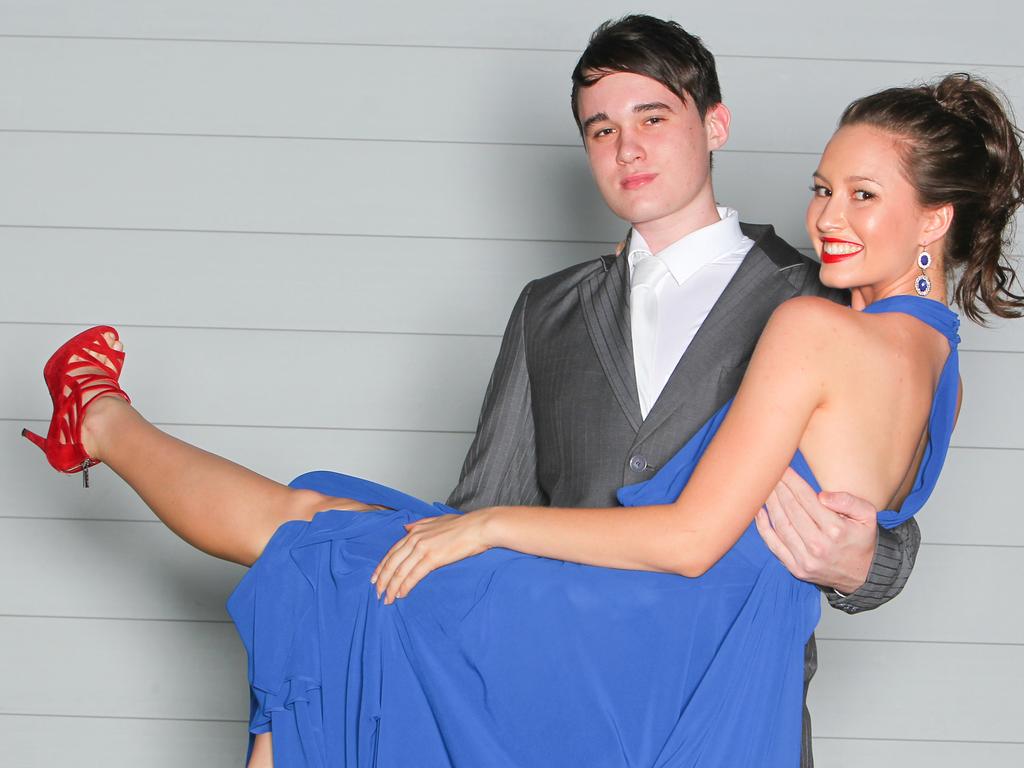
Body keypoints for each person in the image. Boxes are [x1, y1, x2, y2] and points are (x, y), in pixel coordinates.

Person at [22, 68, 1024, 766]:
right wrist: (472, 528)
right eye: (819, 189)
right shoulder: (940, 370)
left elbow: (690, 540)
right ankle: (101, 416)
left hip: (646, 647)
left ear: (934, 216)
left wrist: (489, 530)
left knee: (318, 552)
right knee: (338, 527)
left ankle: (101, 418)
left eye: (861, 194)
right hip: (706, 656)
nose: (826, 218)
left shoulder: (807, 320)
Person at [446, 15, 917, 766]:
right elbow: (479, 514)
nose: (627, 148)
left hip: (734, 710)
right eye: (601, 131)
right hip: (557, 709)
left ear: (715, 124)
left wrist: (866, 562)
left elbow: (889, 502)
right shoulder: (546, 310)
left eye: (653, 117)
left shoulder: (822, 301)